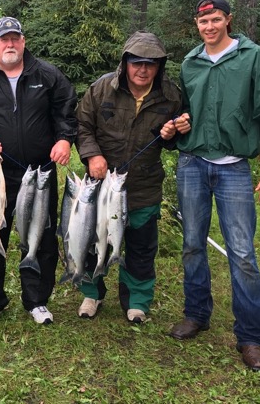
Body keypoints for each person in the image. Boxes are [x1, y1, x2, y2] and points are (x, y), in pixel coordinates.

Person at [169, 0, 260, 373]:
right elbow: (182, 110)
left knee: (241, 252)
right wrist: (180, 123)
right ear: (197, 24)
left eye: (216, 20)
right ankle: (196, 313)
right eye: (203, 22)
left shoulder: (252, 58)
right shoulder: (190, 62)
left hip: (234, 166)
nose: (209, 27)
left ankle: (251, 337)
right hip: (192, 163)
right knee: (192, 244)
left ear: (228, 20)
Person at [0, 17, 77, 329]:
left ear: (23, 42)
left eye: (15, 38)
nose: (10, 44)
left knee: (41, 234)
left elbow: (67, 109)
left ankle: (36, 300)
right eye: (4, 39)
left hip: (39, 172)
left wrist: (64, 139)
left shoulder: (47, 75)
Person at [75, 31, 187, 324]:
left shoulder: (171, 96)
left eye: (151, 64)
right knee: (90, 241)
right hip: (100, 187)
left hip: (144, 187)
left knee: (141, 248)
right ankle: (91, 292)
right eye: (137, 62)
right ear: (124, 63)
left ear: (159, 66)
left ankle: (136, 300)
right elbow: (82, 125)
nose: (143, 69)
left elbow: (177, 141)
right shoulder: (101, 90)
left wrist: (172, 135)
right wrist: (92, 155)